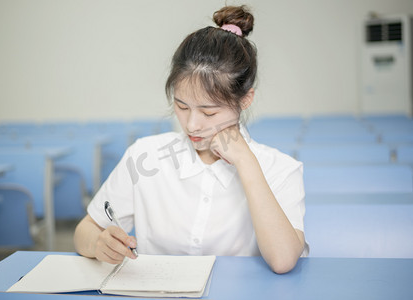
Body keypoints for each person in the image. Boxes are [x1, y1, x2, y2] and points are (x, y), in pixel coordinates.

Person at [74, 5, 308, 274]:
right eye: (182, 107)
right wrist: (99, 243)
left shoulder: (280, 168)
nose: (192, 124)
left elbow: (283, 261)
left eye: (209, 111)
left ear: (245, 100)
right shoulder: (145, 156)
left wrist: (246, 162)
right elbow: (85, 230)